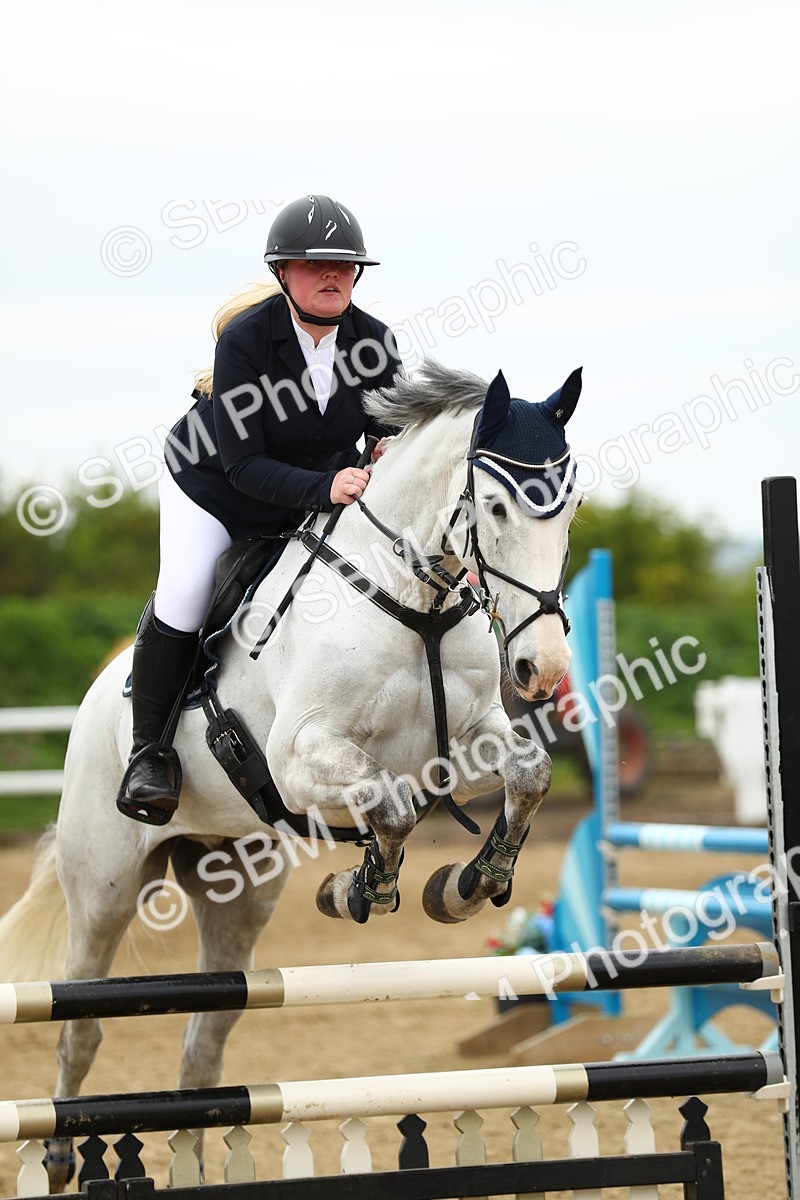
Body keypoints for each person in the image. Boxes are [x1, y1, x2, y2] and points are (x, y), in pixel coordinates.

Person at [118, 194, 402, 826]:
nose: (331, 275)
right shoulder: (248, 342)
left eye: (345, 265)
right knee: (190, 588)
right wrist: (328, 488)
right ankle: (149, 754)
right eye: (312, 264)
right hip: (213, 484)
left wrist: (391, 453)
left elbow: (389, 431)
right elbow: (244, 467)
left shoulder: (375, 343)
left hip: (310, 484)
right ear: (283, 273)